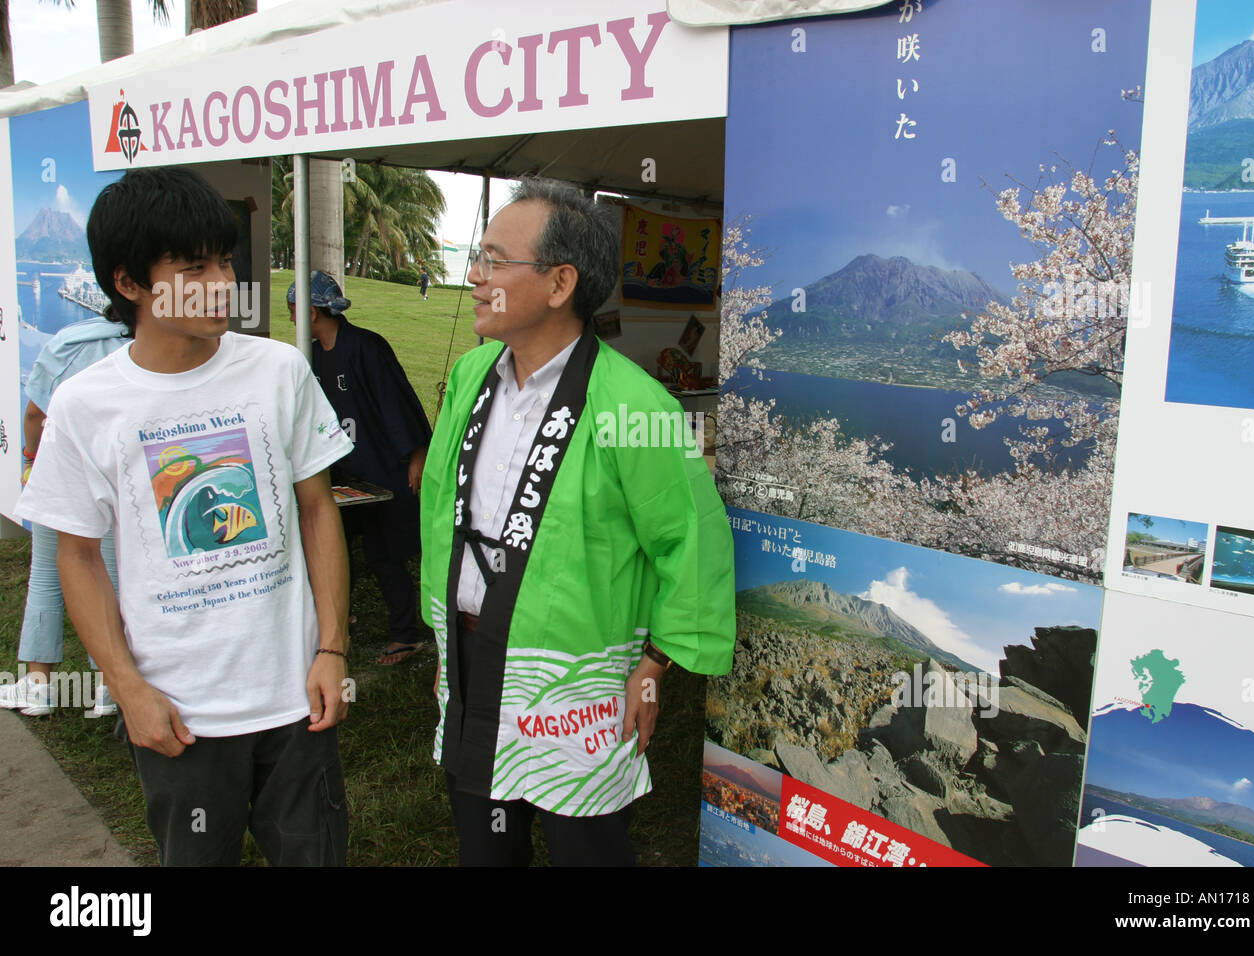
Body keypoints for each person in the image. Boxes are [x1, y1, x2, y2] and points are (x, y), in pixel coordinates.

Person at [16, 166, 354, 866]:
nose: (220, 281)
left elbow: (317, 510)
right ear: (128, 283)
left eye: (224, 261)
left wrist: (332, 648)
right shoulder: (87, 405)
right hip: (180, 717)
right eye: (192, 266)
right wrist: (126, 687)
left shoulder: (276, 371)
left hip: (295, 701)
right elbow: (75, 554)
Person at [419, 178, 736, 866]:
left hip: (579, 681)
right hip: (473, 658)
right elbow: (442, 508)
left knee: (582, 844)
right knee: (484, 842)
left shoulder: (638, 406)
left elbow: (693, 540)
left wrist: (653, 665)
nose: (474, 277)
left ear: (559, 283)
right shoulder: (471, 377)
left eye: (494, 261)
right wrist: (443, 634)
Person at [287, 271, 432, 665]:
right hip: (337, 473)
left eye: (293, 310)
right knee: (332, 549)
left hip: (381, 466)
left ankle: (404, 634)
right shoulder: (309, 354)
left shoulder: (366, 347)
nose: (289, 318)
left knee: (386, 553)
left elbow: (397, 401)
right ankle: (336, 622)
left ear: (312, 312)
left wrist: (416, 455)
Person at [0, 315, 128, 717]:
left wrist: (30, 459)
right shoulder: (144, 345)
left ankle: (38, 684)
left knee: (45, 575)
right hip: (112, 476)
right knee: (111, 577)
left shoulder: (67, 342)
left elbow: (34, 414)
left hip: (58, 471)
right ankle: (110, 684)